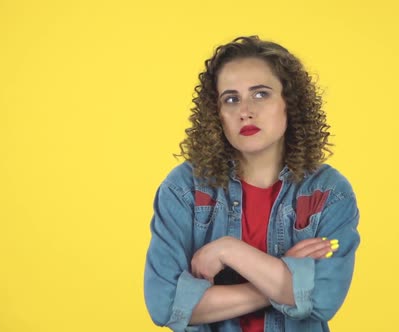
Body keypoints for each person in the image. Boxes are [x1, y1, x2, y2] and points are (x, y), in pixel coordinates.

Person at [144, 36, 360, 332]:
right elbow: (164, 304)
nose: (245, 110)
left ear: (290, 103)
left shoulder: (329, 192)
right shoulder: (185, 189)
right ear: (216, 114)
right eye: (230, 99)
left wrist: (229, 250)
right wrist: (283, 277)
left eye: (260, 94)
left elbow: (323, 298)